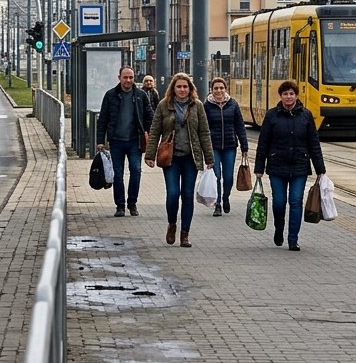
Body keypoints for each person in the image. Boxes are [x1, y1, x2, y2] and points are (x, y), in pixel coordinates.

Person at [253, 80, 326, 252]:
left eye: (291, 94)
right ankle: (279, 229)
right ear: (281, 96)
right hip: (277, 165)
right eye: (285, 94)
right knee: (279, 202)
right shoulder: (272, 115)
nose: (288, 97)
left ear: (296, 96)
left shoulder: (306, 115)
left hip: (299, 165)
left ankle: (293, 239)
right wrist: (258, 167)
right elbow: (263, 142)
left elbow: (314, 144)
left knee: (296, 201)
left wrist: (320, 170)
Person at [144, 72, 214, 248]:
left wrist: (209, 157)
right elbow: (154, 131)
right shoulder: (163, 105)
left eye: (185, 87)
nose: (182, 90)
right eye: (179, 86)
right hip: (171, 158)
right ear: (173, 89)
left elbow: (204, 133)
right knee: (173, 193)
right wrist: (150, 155)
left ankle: (185, 234)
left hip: (191, 157)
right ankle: (172, 224)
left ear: (190, 89)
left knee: (188, 195)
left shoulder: (197, 106)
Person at [94, 66, 153, 218]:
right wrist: (100, 140)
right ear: (119, 77)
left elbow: (149, 116)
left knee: (136, 171)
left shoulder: (140, 95)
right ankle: (120, 206)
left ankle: (132, 203)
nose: (128, 80)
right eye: (125, 77)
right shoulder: (110, 95)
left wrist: (148, 132)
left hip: (135, 141)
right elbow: (103, 119)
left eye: (131, 77)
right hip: (116, 141)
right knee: (117, 174)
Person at [204, 77, 249, 217]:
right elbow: (203, 128)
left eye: (221, 88)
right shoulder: (207, 105)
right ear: (211, 90)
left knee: (228, 177)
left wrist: (244, 146)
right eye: (216, 88)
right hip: (214, 146)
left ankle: (226, 197)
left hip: (230, 146)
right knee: (216, 175)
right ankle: (217, 204)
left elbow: (240, 126)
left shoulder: (233, 104)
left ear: (225, 89)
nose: (219, 91)